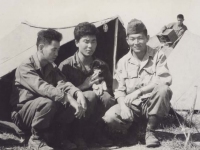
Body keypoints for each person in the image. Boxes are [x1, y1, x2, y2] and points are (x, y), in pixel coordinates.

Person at [10, 29, 87, 150]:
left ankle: (58, 138)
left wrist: (77, 92)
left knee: (66, 103)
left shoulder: (51, 66)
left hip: (43, 112)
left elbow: (63, 83)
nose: (57, 53)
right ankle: (36, 140)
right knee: (48, 102)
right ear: (41, 48)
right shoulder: (25, 66)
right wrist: (67, 97)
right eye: (54, 49)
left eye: (58, 50)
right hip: (23, 113)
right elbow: (42, 87)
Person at [103, 19, 172, 148]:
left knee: (163, 89)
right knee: (110, 117)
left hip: (151, 105)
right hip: (132, 107)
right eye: (132, 39)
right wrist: (123, 107)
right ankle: (133, 130)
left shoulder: (158, 56)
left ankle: (150, 132)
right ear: (127, 40)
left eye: (140, 38)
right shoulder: (123, 62)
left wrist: (139, 91)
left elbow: (164, 79)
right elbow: (118, 89)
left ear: (147, 38)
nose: (136, 42)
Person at [59, 22, 115, 146]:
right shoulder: (66, 66)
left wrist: (102, 88)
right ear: (76, 43)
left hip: (93, 113)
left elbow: (110, 90)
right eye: (86, 41)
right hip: (72, 112)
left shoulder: (102, 65)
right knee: (89, 95)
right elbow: (60, 94)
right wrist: (83, 87)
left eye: (93, 41)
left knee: (107, 98)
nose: (90, 46)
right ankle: (76, 135)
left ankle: (96, 132)